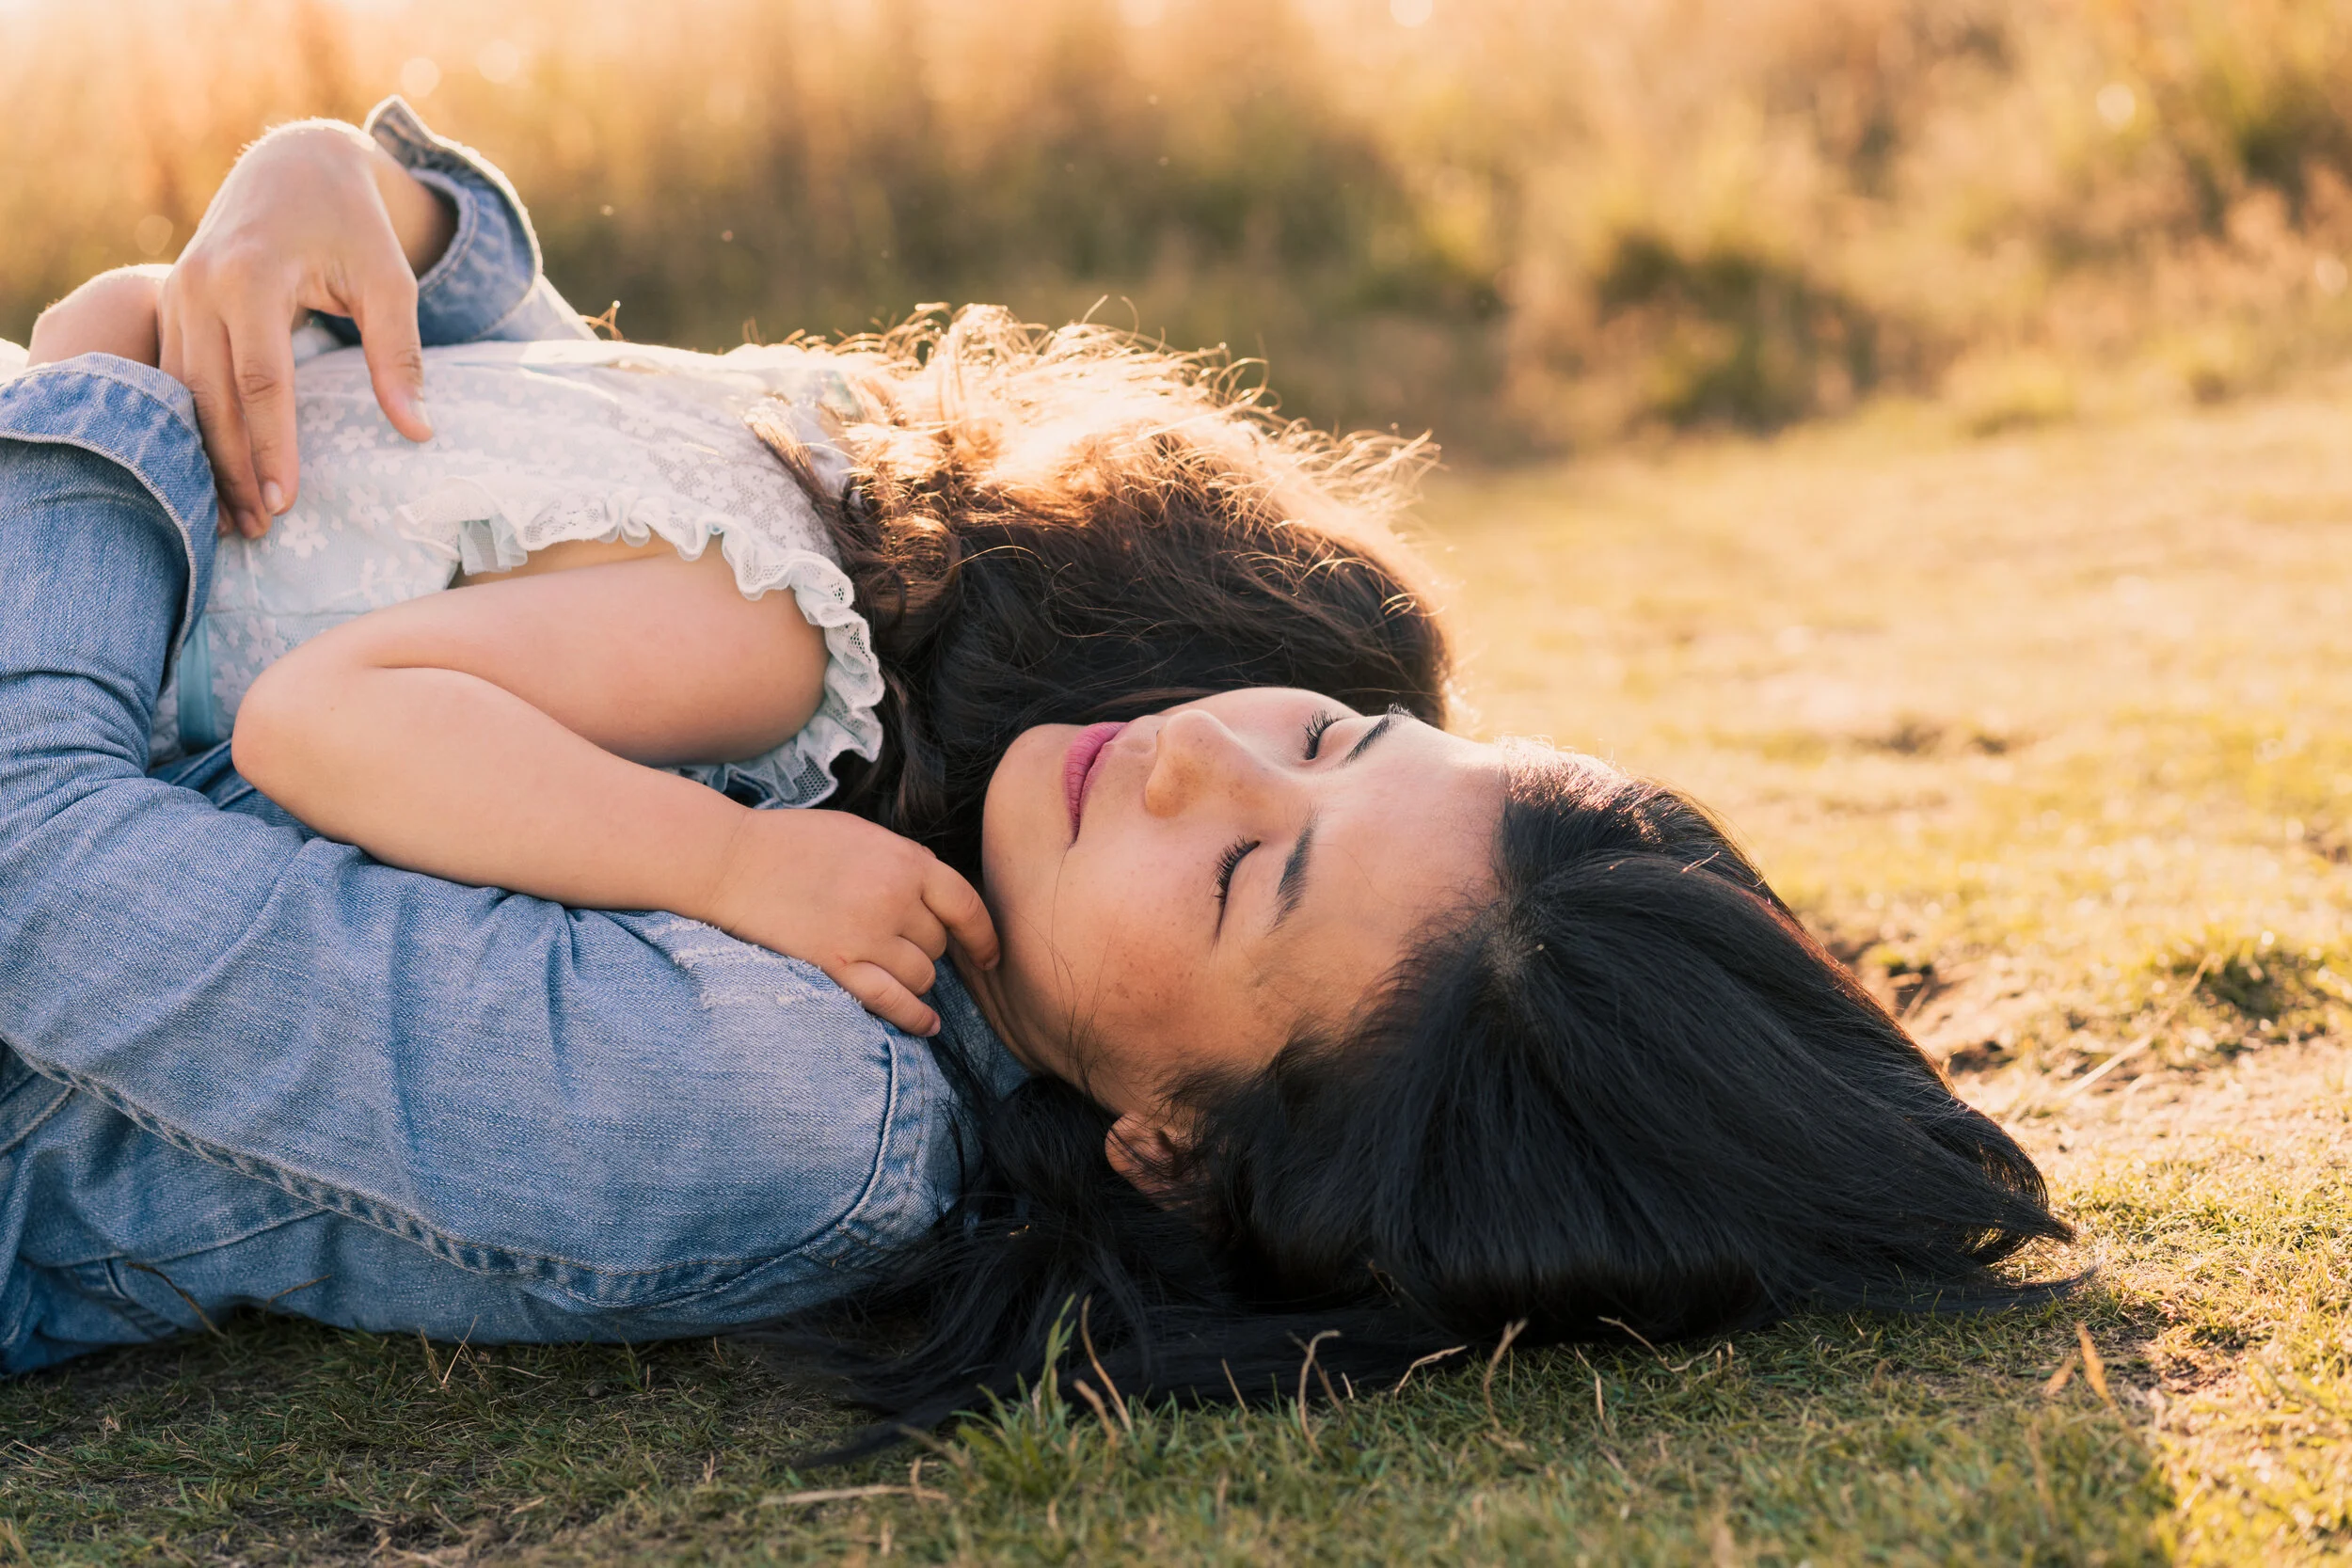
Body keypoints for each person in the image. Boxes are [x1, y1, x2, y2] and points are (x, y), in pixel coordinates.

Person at [0, 103, 2070, 1433]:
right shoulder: (920, 717)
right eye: (1332, 742)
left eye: (1256, 881)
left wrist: (105, 402)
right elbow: (536, 430)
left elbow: (40, 872)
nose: (1190, 764)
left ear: (1171, 1143)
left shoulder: (792, 1098)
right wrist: (328, 187)